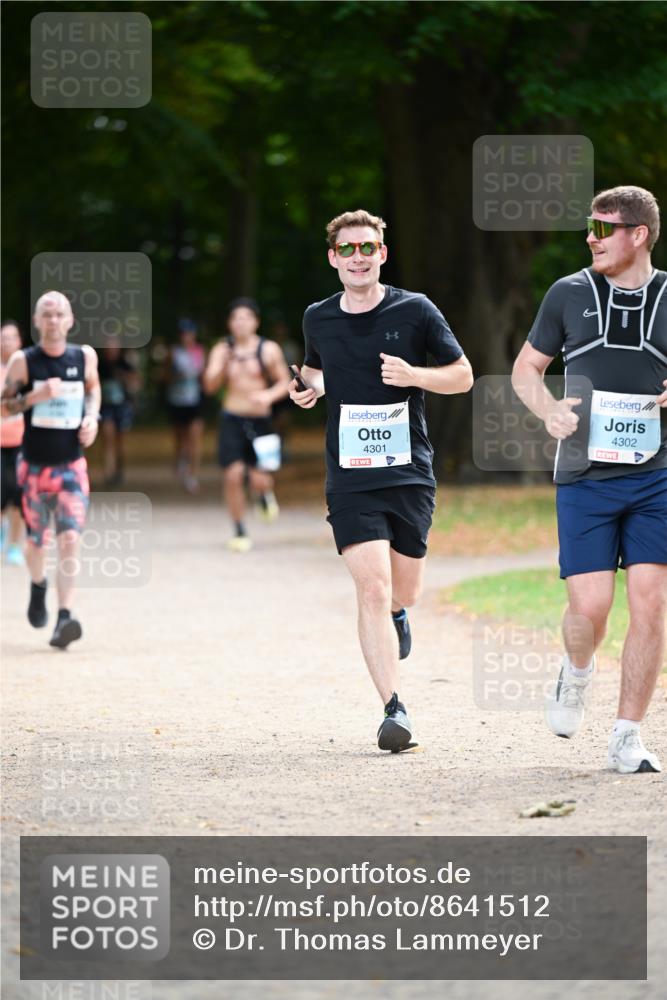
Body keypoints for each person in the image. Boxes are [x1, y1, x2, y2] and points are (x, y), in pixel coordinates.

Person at [290, 210, 473, 752]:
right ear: (333, 258)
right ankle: (395, 710)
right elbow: (320, 370)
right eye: (348, 249)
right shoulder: (318, 317)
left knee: (402, 589)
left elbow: (462, 375)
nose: (358, 256)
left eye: (368, 247)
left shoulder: (415, 310)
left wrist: (415, 375)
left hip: (408, 472)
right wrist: (311, 389)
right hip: (349, 474)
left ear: (382, 254)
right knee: (370, 586)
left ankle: (399, 612)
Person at [512, 185, 667, 774]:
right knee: (591, 608)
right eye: (590, 227)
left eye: (603, 229)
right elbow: (528, 369)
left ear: (638, 235)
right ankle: (576, 671)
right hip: (584, 475)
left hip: (658, 475)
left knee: (651, 605)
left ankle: (627, 736)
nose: (591, 238)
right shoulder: (569, 293)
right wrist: (548, 410)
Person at [0, 291, 101, 649]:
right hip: (34, 467)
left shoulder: (84, 356)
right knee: (35, 543)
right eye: (47, 314)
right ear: (37, 321)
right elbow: (4, 409)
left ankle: (64, 618)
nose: (54, 320)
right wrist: (34, 398)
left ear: (71, 320)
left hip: (72, 465)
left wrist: (92, 418)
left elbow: (93, 390)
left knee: (70, 538)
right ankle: (38, 584)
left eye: (60, 314)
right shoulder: (23, 362)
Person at [203, 298, 291, 552]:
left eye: (246, 318)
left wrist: (267, 396)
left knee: (259, 478)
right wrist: (222, 367)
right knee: (232, 475)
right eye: (236, 318)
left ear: (255, 322)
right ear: (230, 323)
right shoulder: (222, 349)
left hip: (262, 420)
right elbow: (209, 386)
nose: (240, 323)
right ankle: (239, 530)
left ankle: (263, 494)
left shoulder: (269, 349)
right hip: (232, 418)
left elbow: (284, 382)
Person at [164, 318, 205, 494]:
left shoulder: (201, 351)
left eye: (189, 333)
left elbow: (206, 376)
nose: (186, 336)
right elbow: (165, 376)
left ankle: (193, 474)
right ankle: (180, 460)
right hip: (177, 400)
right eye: (184, 333)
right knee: (181, 436)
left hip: (196, 400)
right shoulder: (173, 352)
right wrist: (176, 376)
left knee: (195, 436)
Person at [98, 336, 141, 486]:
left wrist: (123, 377)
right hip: (105, 407)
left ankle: (119, 469)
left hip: (122, 407)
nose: (111, 349)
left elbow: (136, 384)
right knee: (108, 438)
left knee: (119, 442)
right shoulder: (99, 365)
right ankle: (108, 473)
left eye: (114, 346)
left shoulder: (125, 364)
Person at [1, 319, 25, 565]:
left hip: (21, 443)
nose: (6, 341)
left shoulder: (26, 371)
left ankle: (15, 546)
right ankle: (2, 528)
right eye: (2, 337)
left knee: (19, 496)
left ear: (19, 341)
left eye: (11, 337)